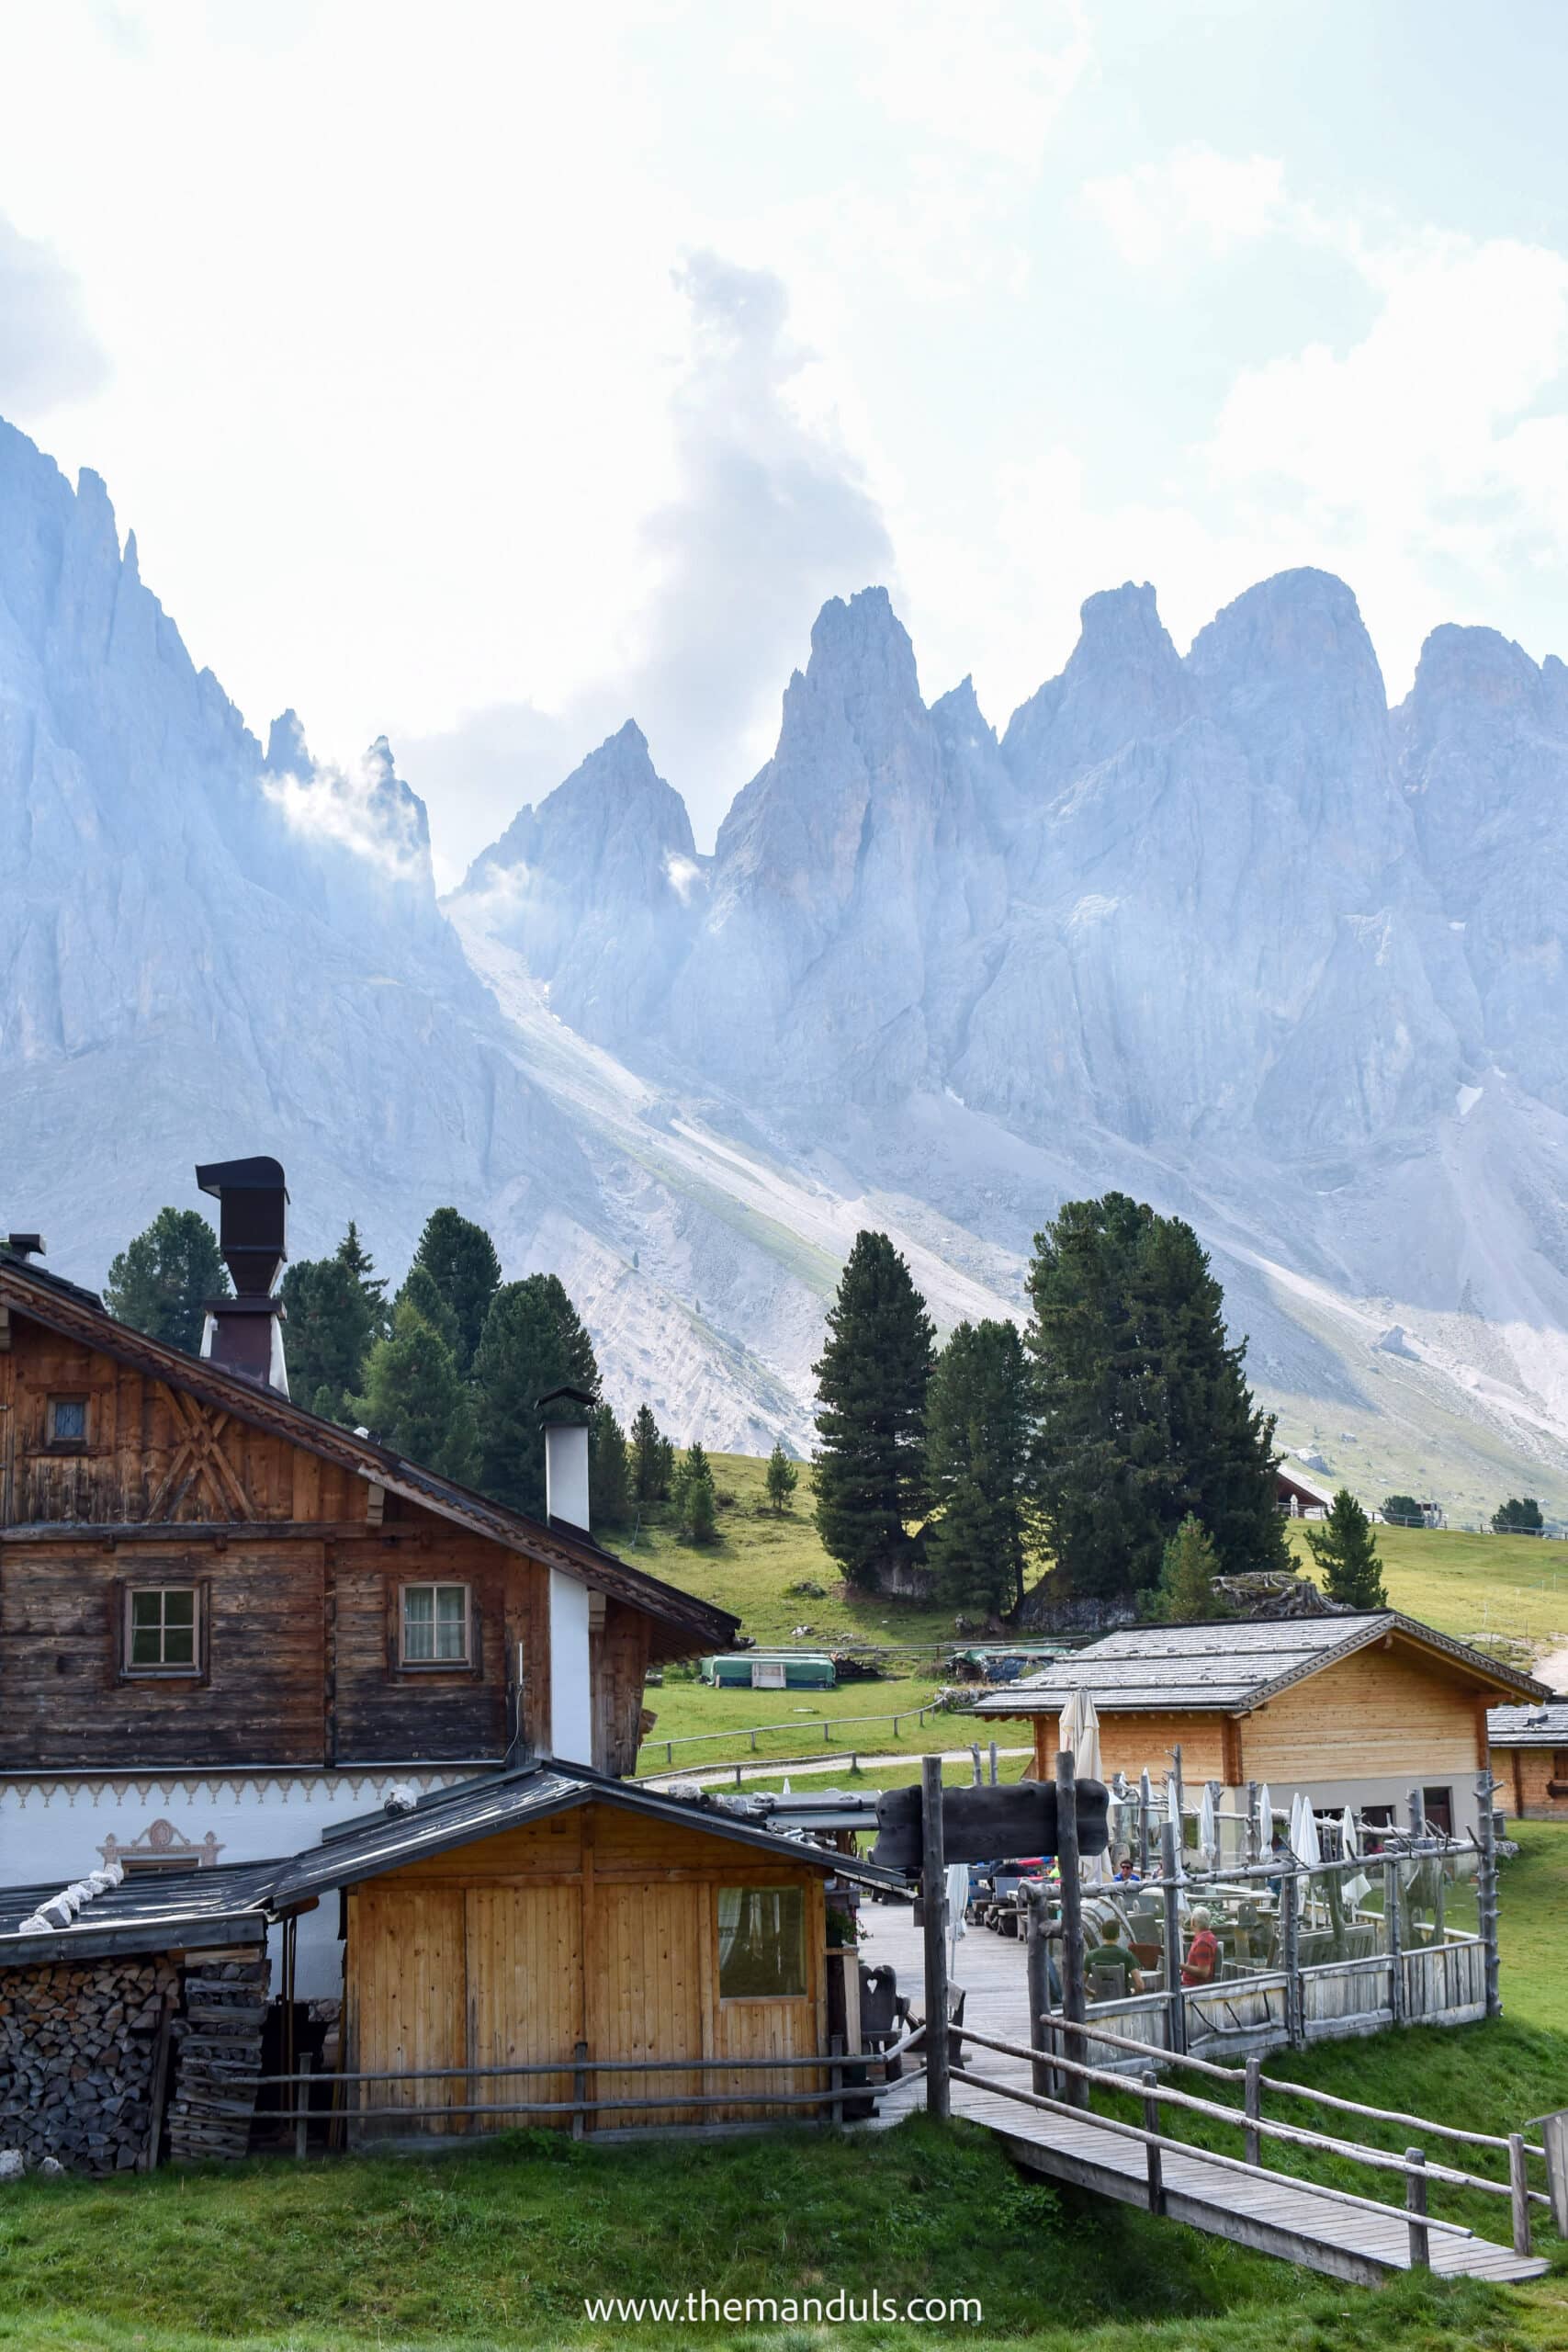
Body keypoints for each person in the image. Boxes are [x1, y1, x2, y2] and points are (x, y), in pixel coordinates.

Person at [1088, 1914, 1144, 1995]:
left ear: (1102, 1934)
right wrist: (1132, 1992)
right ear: (1118, 1935)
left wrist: (1093, 1994)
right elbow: (1140, 1986)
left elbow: (1080, 1984)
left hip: (1100, 2003)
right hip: (1123, 2003)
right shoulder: (1127, 1955)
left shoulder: (1090, 1956)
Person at [1181, 1905, 1220, 1987]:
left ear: (1193, 1922)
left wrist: (1179, 1966)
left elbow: (1204, 1972)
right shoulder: (1207, 1936)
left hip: (1194, 1987)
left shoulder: (1202, 1942)